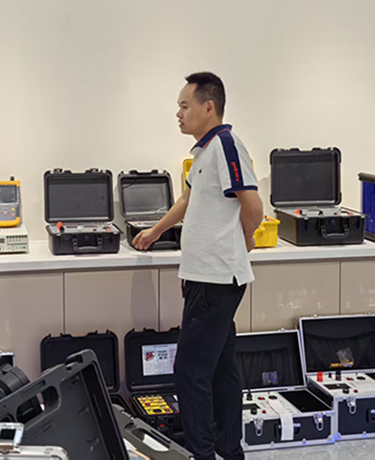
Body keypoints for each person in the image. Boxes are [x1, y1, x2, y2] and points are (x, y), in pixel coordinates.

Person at [133, 72, 263, 460]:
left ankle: (202, 454)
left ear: (209, 107)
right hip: (205, 277)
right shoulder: (205, 151)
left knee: (190, 373)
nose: (178, 113)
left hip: (215, 279)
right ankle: (228, 450)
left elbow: (253, 206)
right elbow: (188, 200)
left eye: (184, 105)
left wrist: (244, 241)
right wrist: (155, 231)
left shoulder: (226, 145)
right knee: (221, 369)